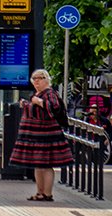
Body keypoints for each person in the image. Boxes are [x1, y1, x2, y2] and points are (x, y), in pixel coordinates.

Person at [9, 69, 74, 202]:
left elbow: (53, 109)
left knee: (46, 165)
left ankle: (47, 193)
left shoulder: (50, 93)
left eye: (40, 78)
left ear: (46, 79)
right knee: (38, 164)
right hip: (36, 135)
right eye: (34, 79)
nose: (36, 81)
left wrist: (35, 102)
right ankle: (40, 192)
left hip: (47, 135)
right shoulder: (38, 94)